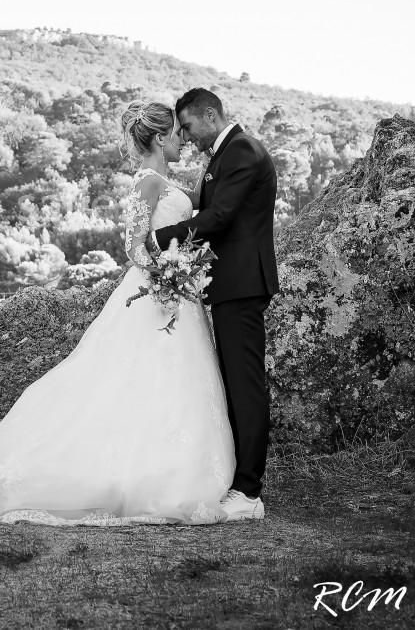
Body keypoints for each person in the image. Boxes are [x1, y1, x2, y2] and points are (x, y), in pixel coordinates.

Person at [0, 100, 235, 526]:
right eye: (176, 133)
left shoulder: (168, 183)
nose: (183, 140)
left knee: (165, 382)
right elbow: (133, 246)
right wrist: (165, 274)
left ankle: (167, 468)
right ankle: (126, 476)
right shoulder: (148, 182)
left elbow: (203, 210)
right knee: (129, 380)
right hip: (154, 291)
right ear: (159, 138)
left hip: (176, 295)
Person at [150, 87, 279, 521]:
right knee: (236, 382)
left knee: (245, 386)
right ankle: (239, 482)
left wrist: (157, 239)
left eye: (187, 127)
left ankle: (248, 493)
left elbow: (219, 217)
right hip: (231, 285)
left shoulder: (241, 151)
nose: (185, 137)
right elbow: (213, 210)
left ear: (210, 114)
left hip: (242, 285)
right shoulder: (226, 154)